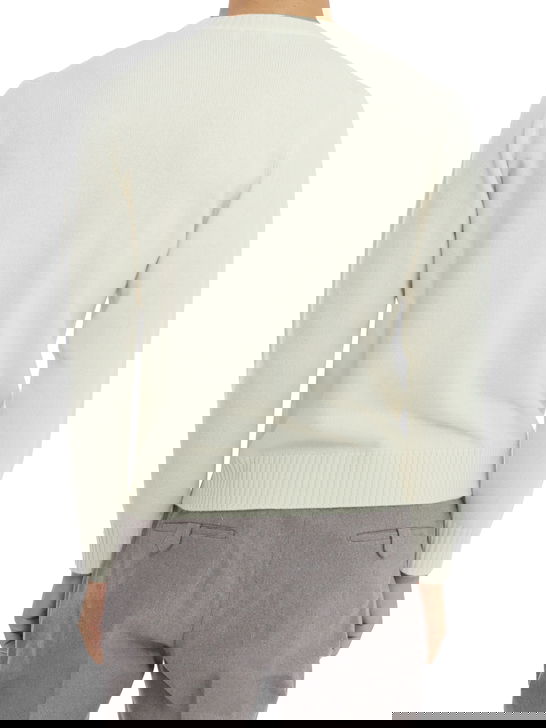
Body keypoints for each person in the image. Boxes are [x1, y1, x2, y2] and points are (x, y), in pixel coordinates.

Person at [2, 0, 544, 718]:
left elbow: (358, 298)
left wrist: (154, 501)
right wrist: (413, 564)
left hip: (262, 482)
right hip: (371, 530)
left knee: (32, 685)